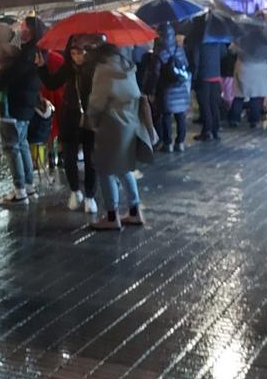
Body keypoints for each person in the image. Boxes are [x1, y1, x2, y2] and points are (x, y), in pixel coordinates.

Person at [85, 43, 155, 230]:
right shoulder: (128, 67)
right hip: (130, 124)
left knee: (105, 169)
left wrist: (90, 122)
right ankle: (134, 212)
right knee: (124, 168)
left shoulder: (103, 71)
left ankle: (111, 216)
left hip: (110, 126)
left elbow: (96, 104)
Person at [39, 37, 99, 212]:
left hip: (90, 116)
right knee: (69, 157)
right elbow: (52, 83)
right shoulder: (68, 68)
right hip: (70, 116)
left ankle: (90, 195)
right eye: (73, 53)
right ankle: (75, 191)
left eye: (80, 53)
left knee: (90, 158)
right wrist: (42, 67)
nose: (76, 57)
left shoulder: (96, 68)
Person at [0, 17, 44, 206]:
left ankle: (19, 190)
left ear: (30, 30)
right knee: (21, 144)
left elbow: (12, 76)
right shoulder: (35, 50)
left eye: (23, 26)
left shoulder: (28, 53)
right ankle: (28, 186)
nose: (20, 29)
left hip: (15, 104)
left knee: (12, 147)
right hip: (26, 103)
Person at [154, 26, 190, 152]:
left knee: (166, 116)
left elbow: (156, 73)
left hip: (166, 89)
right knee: (180, 117)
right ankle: (180, 143)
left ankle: (167, 143)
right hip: (180, 87)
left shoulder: (159, 52)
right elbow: (186, 65)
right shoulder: (179, 49)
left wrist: (151, 89)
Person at [188, 34, 225, 142]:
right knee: (214, 104)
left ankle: (207, 131)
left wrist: (194, 76)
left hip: (203, 76)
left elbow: (195, 60)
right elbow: (223, 53)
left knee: (205, 105)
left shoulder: (198, 40)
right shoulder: (218, 38)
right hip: (216, 75)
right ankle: (215, 130)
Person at [231, 51, 267, 127]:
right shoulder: (264, 41)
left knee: (239, 95)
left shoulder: (241, 40)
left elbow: (232, 50)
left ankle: (234, 119)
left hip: (242, 67)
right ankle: (254, 120)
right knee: (255, 96)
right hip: (259, 68)